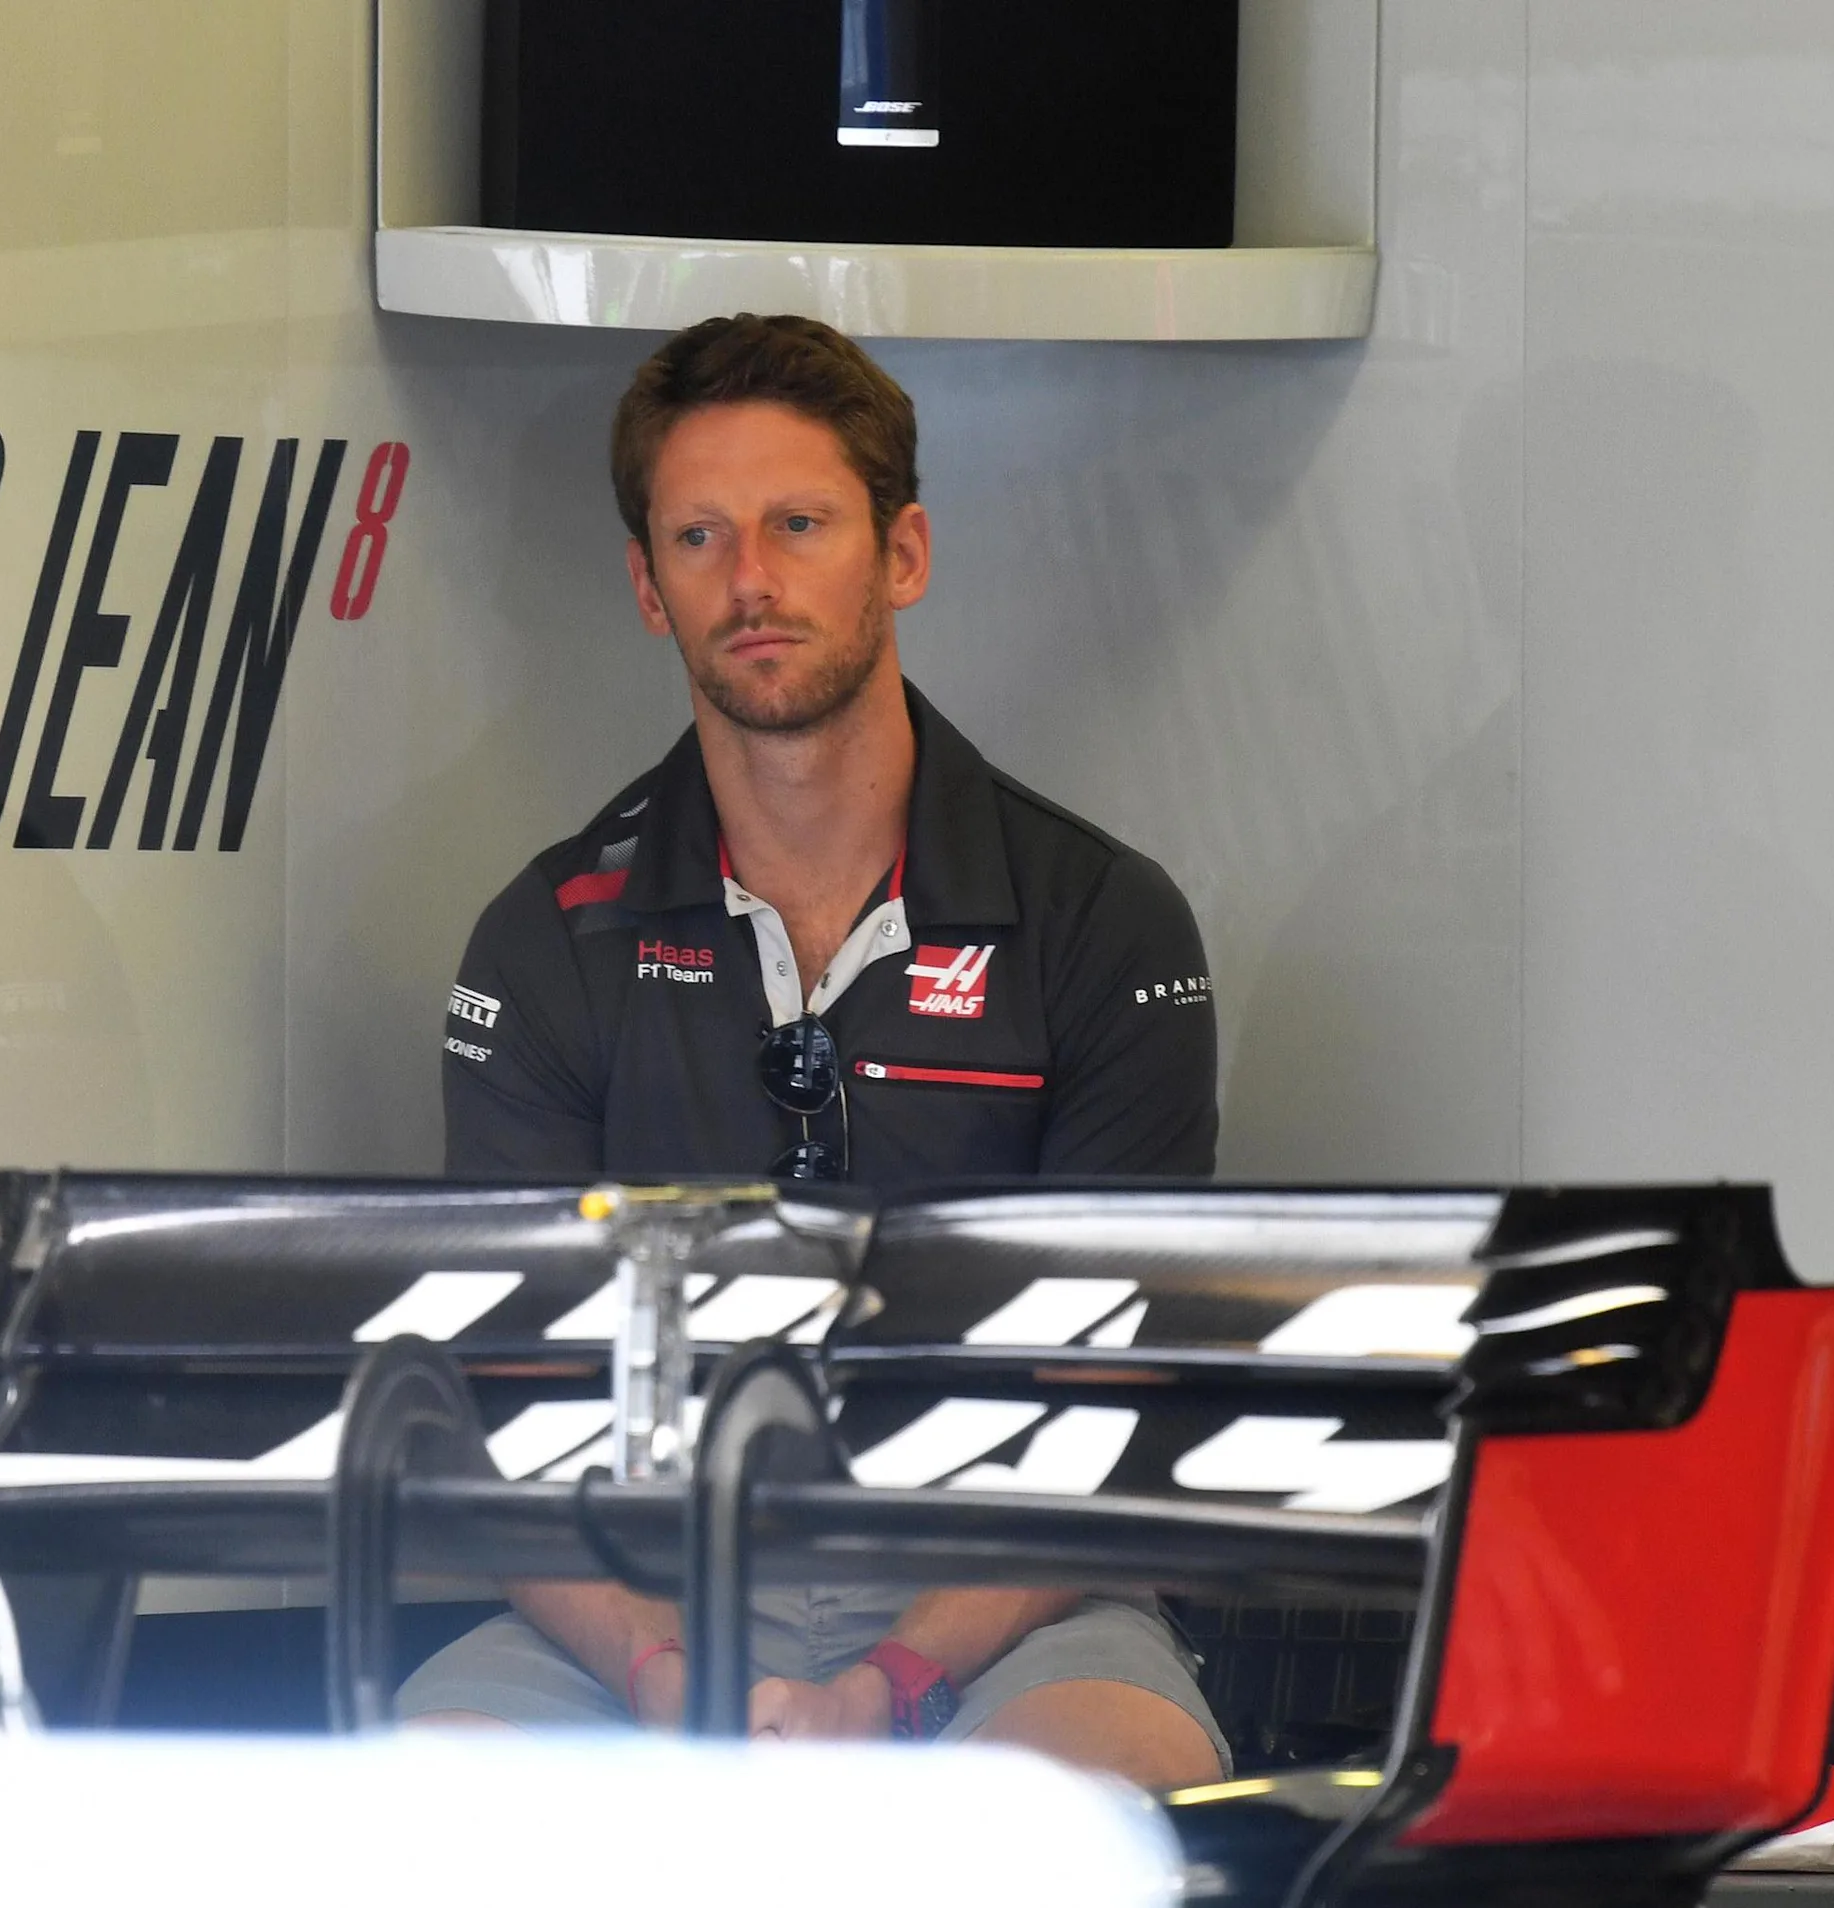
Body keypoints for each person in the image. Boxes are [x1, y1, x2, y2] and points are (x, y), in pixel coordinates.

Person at [402, 313, 1229, 1788]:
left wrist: (893, 1678)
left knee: (1087, 1822)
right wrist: (667, 1672)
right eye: (700, 537)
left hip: (1012, 1597)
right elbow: (494, 1414)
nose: (753, 582)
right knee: (425, 1805)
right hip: (636, 1609)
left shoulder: (1102, 918)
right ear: (648, 587)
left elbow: (1114, 1396)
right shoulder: (547, 940)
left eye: (799, 524)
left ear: (902, 554)